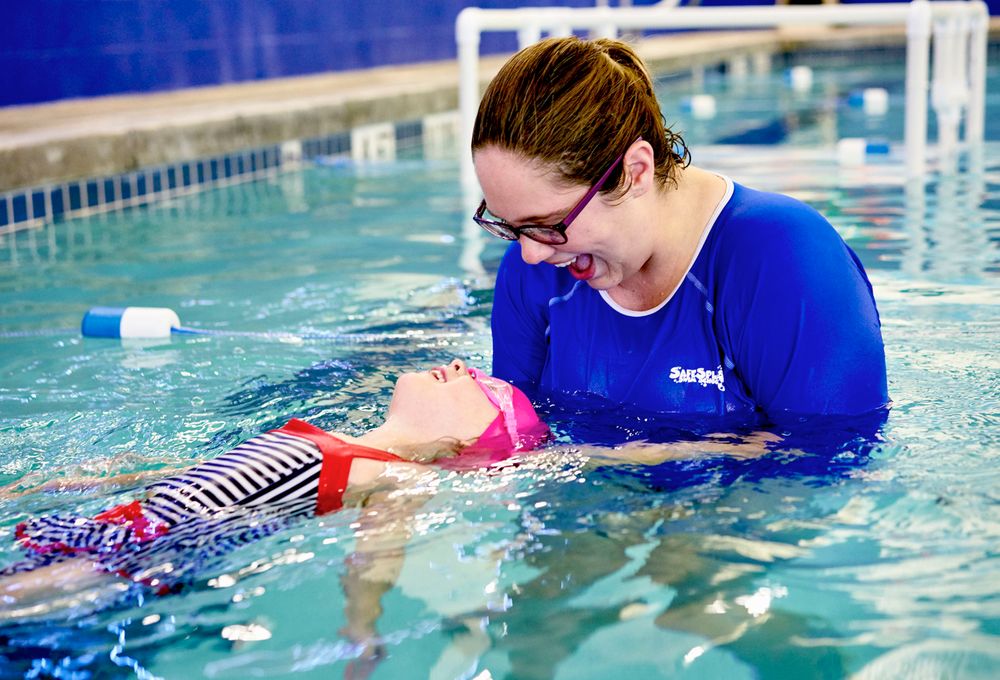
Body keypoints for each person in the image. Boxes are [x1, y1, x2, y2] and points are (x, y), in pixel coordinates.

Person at [472, 37, 888, 425]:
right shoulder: (535, 267)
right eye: (511, 225)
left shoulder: (786, 260)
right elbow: (519, 441)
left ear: (635, 172)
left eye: (549, 224)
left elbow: (831, 465)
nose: (529, 253)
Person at [0, 360, 548, 609]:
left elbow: (376, 556)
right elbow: (198, 473)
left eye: (479, 383)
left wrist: (363, 631)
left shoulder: (397, 474)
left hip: (163, 548)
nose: (458, 365)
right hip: (129, 523)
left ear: (467, 441)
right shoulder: (338, 438)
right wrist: (76, 485)